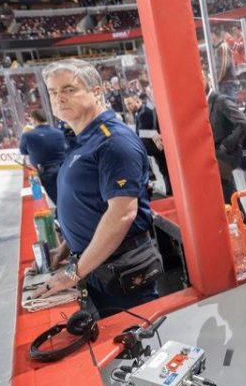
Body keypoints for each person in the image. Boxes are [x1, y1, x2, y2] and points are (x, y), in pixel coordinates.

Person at [32, 58, 160, 316]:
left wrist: (72, 273)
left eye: (69, 89)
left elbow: (122, 214)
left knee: (136, 341)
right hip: (94, 264)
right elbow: (90, 202)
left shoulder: (114, 142)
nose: (59, 98)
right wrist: (68, 246)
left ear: (97, 91)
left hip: (120, 269)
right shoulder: (82, 139)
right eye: (53, 92)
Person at [204, 68, 246, 204]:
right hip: (214, 156)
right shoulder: (202, 104)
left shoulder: (221, 101)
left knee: (228, 195)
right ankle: (237, 221)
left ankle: (241, 221)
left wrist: (226, 145)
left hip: (226, 154)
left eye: (201, 79)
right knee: (225, 196)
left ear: (208, 80)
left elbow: (244, 124)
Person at [124, 94, 172, 196]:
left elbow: (145, 132)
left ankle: (170, 192)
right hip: (153, 148)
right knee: (163, 170)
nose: (128, 107)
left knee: (165, 170)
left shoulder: (144, 112)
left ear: (137, 101)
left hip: (157, 147)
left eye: (130, 103)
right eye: (126, 105)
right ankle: (169, 191)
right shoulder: (138, 113)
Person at [19, 109, 66, 202]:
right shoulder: (59, 133)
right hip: (64, 168)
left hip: (47, 171)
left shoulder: (28, 135)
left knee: (58, 199)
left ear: (34, 119)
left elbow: (23, 151)